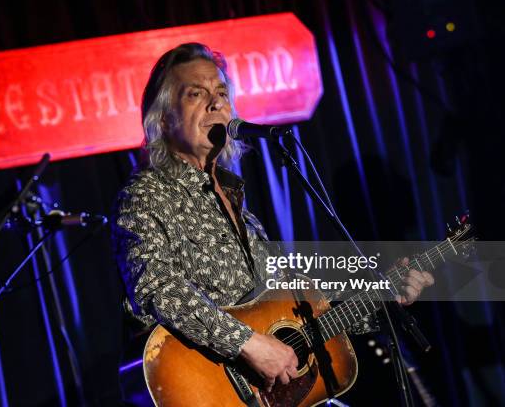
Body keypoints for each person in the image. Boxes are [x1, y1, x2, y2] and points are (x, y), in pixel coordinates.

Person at [111, 42, 434, 392]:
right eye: (195, 94)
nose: (216, 102)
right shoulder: (146, 194)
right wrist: (248, 344)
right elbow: (156, 288)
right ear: (162, 118)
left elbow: (304, 314)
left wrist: (382, 298)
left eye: (221, 92)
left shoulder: (242, 213)